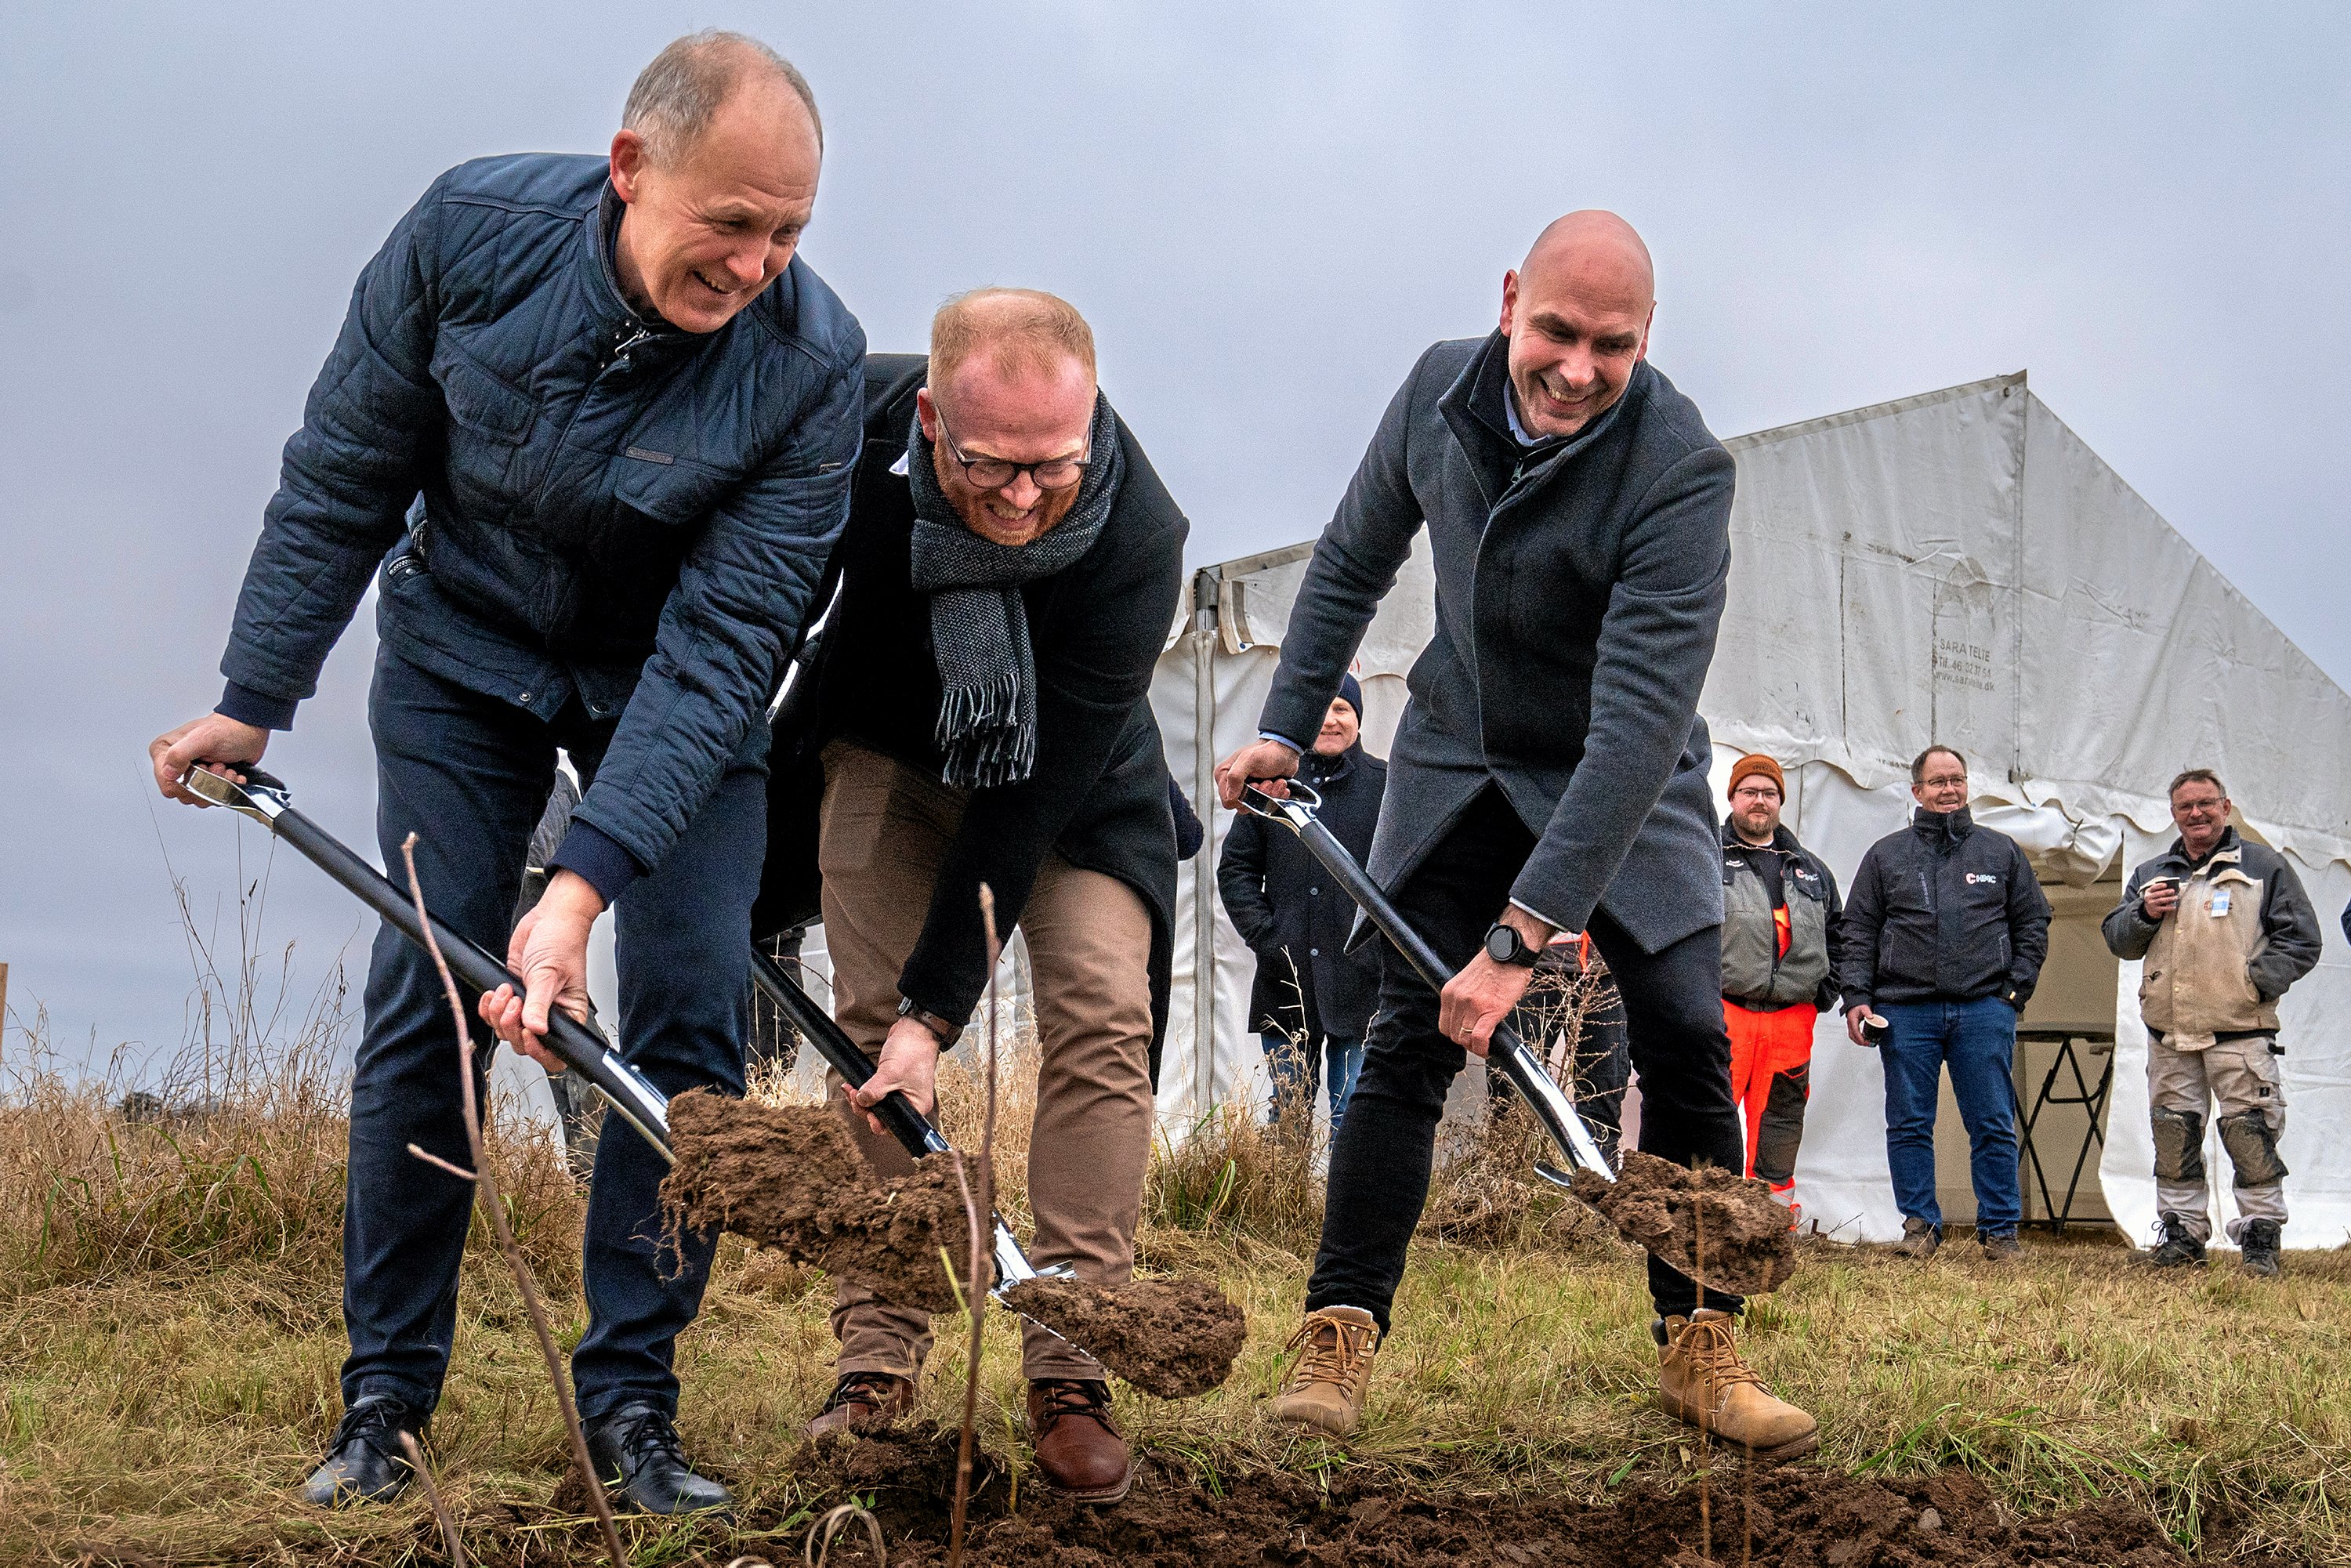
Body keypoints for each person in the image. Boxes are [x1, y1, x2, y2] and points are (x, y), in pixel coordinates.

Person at [146, 32, 863, 1514]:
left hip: (675, 686)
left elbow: (729, 643)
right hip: (462, 655)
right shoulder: (469, 235)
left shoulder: (813, 366)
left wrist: (585, 884)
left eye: (789, 232)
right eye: (729, 223)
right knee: (435, 995)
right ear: (629, 170)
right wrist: (252, 697)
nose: (755, 264)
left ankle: (633, 1411)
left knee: (688, 1020)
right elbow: (346, 464)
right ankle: (386, 1401)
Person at [1216, 211, 1818, 1459]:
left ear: (1647, 340)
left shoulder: (1681, 468)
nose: (1577, 368)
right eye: (1555, 330)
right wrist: (1286, 724)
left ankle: (1701, 1340)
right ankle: (1338, 1327)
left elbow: (1638, 723)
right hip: (1462, 754)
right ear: (1508, 303)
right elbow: (1348, 564)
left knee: (1689, 1038)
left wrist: (1520, 939)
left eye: (1612, 345)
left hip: (1625, 778)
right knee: (1405, 1036)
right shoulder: (1438, 391)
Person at [786, 293, 1186, 1505]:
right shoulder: (840, 445)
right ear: (928, 418)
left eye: (1050, 468)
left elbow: (1029, 803)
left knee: (1105, 1011)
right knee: (868, 1032)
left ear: (1090, 424)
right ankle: (879, 1362)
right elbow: (758, 629)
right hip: (887, 755)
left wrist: (939, 1010)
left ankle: (1073, 1358)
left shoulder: (1139, 531)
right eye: (988, 467)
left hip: (1069, 785)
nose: (1021, 500)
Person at [2100, 770, 2320, 1277]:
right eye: (2185, 807)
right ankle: (2182, 1236)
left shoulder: (2266, 866)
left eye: (2205, 804)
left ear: (2226, 806)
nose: (2196, 814)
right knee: (2173, 1136)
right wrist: (2143, 913)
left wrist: (2254, 982)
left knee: (2251, 1133)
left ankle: (2261, 1239)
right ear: (2173, 813)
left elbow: (2302, 939)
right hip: (2170, 1035)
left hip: (2240, 1032)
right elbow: (2118, 940)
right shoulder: (2152, 872)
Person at [1835, 746, 2050, 1262]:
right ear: (1917, 792)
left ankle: (2000, 1231)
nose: (1949, 789)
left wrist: (2012, 993)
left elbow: (2034, 923)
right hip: (1906, 1011)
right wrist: (1857, 1000)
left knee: (1993, 1120)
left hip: (1984, 1009)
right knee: (1909, 1122)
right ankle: (1919, 1226)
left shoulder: (2001, 853)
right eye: (1937, 782)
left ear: (1967, 785)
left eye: (1956, 779)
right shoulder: (1886, 856)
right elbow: (1857, 932)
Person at [1217, 674, 1386, 1130]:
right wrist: (1269, 939)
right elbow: (1236, 870)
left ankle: (1342, 1205)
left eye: (1342, 710)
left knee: (1352, 1117)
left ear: (1358, 719)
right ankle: (1283, 1204)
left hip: (1362, 985)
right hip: (1285, 981)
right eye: (1322, 710)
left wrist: (1381, 947)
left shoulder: (1385, 787)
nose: (1330, 721)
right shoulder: (1269, 791)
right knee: (1286, 1117)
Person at [1717, 753, 1842, 1225]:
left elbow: (1841, 933)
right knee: (1714, 1111)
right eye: (1749, 791)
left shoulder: (1811, 870)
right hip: (1726, 1009)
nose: (1759, 801)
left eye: (1769, 793)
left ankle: (1767, 1221)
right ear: (1732, 798)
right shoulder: (1709, 857)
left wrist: (1825, 991)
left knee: (1781, 1119)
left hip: (1792, 1017)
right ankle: (1710, 1217)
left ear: (1780, 802)